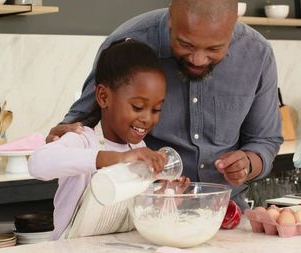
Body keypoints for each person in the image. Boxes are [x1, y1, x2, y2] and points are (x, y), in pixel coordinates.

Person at [48, 0, 283, 211]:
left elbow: (266, 140)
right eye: (185, 44)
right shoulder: (129, 42)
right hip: (145, 214)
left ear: (234, 25)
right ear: (171, 17)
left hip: (226, 213)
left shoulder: (257, 53)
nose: (198, 59)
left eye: (214, 49)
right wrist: (65, 135)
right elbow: (83, 116)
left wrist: (248, 163)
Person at [29, 39, 189, 240]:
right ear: (104, 97)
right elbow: (37, 163)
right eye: (138, 107)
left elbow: (135, 215)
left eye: (156, 109)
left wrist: (165, 198)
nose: (148, 118)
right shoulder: (83, 140)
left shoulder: (139, 147)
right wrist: (119, 158)